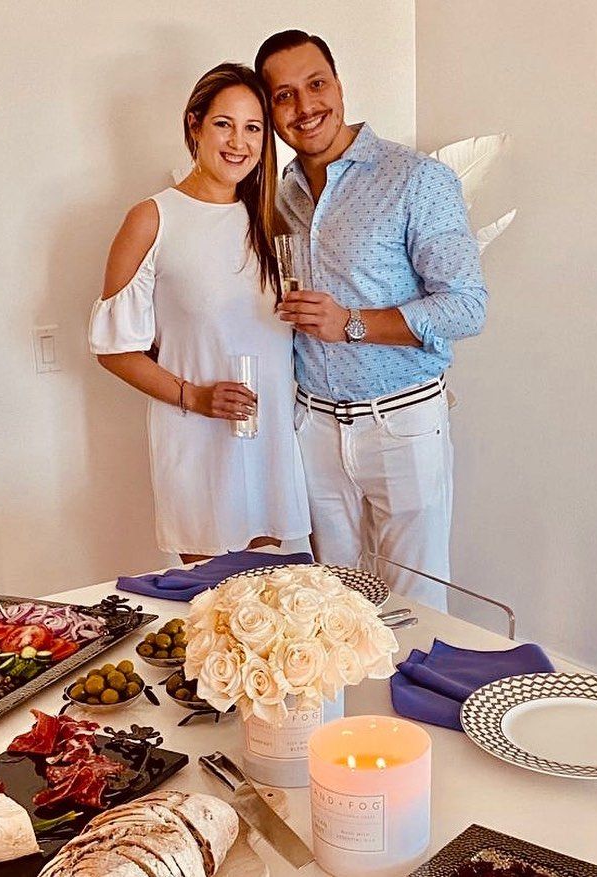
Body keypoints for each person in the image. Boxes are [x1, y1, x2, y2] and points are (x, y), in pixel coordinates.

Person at [254, 31, 488, 610]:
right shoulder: (277, 197)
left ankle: (404, 706)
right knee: (332, 610)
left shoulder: (416, 179)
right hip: (313, 429)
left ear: (339, 84)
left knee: (416, 608)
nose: (305, 107)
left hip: (403, 423)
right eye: (284, 96)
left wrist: (350, 322)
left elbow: (466, 306)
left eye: (316, 84)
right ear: (270, 110)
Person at [88, 63, 310, 564]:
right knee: (214, 608)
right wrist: (196, 397)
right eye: (223, 124)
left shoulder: (272, 221)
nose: (239, 142)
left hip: (272, 439)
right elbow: (114, 350)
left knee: (278, 611)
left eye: (253, 128)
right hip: (199, 442)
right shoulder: (152, 219)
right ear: (195, 125)